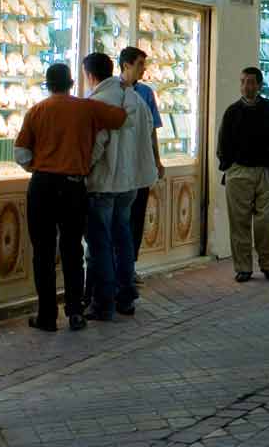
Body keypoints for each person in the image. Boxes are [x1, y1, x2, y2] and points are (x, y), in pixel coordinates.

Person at [14, 62, 127, 332]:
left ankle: (47, 316)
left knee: (42, 252)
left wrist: (37, 167)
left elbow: (21, 153)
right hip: (75, 186)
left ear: (48, 84)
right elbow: (121, 118)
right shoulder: (87, 107)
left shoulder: (36, 111)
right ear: (72, 83)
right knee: (72, 250)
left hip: (42, 186)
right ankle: (75, 312)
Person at [83, 52, 158, 320]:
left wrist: (84, 169)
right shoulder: (136, 99)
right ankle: (125, 296)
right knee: (123, 238)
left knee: (100, 244)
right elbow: (148, 135)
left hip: (104, 183)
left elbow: (96, 144)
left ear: (90, 75)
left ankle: (102, 302)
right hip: (129, 183)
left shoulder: (99, 102)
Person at [216, 67, 269, 282]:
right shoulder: (232, 112)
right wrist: (229, 166)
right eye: (243, 82)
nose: (246, 86)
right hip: (239, 172)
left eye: (251, 82)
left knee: (267, 220)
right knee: (239, 222)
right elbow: (223, 143)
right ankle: (243, 267)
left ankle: (267, 263)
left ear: (259, 85)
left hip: (266, 172)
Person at [118, 45, 166, 275]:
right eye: (139, 65)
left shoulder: (146, 93)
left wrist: (157, 160)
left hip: (141, 164)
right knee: (118, 221)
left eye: (144, 65)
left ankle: (130, 267)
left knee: (136, 218)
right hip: (119, 168)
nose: (143, 70)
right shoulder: (113, 90)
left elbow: (152, 130)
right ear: (126, 65)